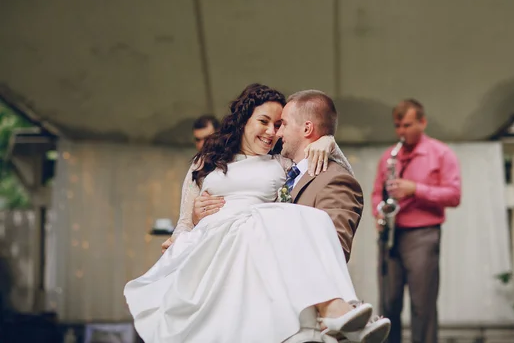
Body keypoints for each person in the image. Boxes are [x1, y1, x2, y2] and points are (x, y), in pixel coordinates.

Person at [124, 84, 389, 343]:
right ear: (243, 121)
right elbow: (184, 223)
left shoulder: (281, 162)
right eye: (264, 121)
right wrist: (185, 232)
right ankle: (337, 311)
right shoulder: (204, 162)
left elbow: (330, 174)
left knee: (293, 219)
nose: (272, 132)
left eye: (278, 125)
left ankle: (333, 310)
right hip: (209, 245)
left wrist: (328, 141)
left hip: (250, 246)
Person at [194, 90, 363, 262]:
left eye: (282, 124)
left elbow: (334, 250)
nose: (277, 133)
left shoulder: (334, 180)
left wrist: (329, 141)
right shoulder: (291, 173)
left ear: (307, 128)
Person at [371, 99, 461, 343]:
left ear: (423, 122)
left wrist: (415, 189)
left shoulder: (441, 154)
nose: (402, 132)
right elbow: (377, 193)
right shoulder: (389, 156)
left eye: (408, 125)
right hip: (390, 236)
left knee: (423, 307)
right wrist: (378, 212)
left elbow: (454, 195)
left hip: (423, 234)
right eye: (398, 126)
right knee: (388, 305)